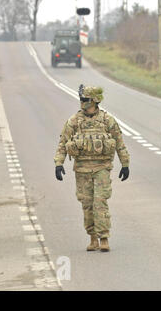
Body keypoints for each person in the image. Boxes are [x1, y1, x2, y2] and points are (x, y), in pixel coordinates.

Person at [54, 85, 130, 252]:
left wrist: (125, 164)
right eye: (81, 100)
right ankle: (92, 238)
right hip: (81, 169)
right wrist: (59, 164)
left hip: (102, 167)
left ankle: (104, 237)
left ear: (95, 101)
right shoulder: (74, 121)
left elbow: (119, 143)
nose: (82, 103)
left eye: (85, 100)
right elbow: (62, 143)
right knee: (87, 204)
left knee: (100, 202)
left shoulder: (107, 120)